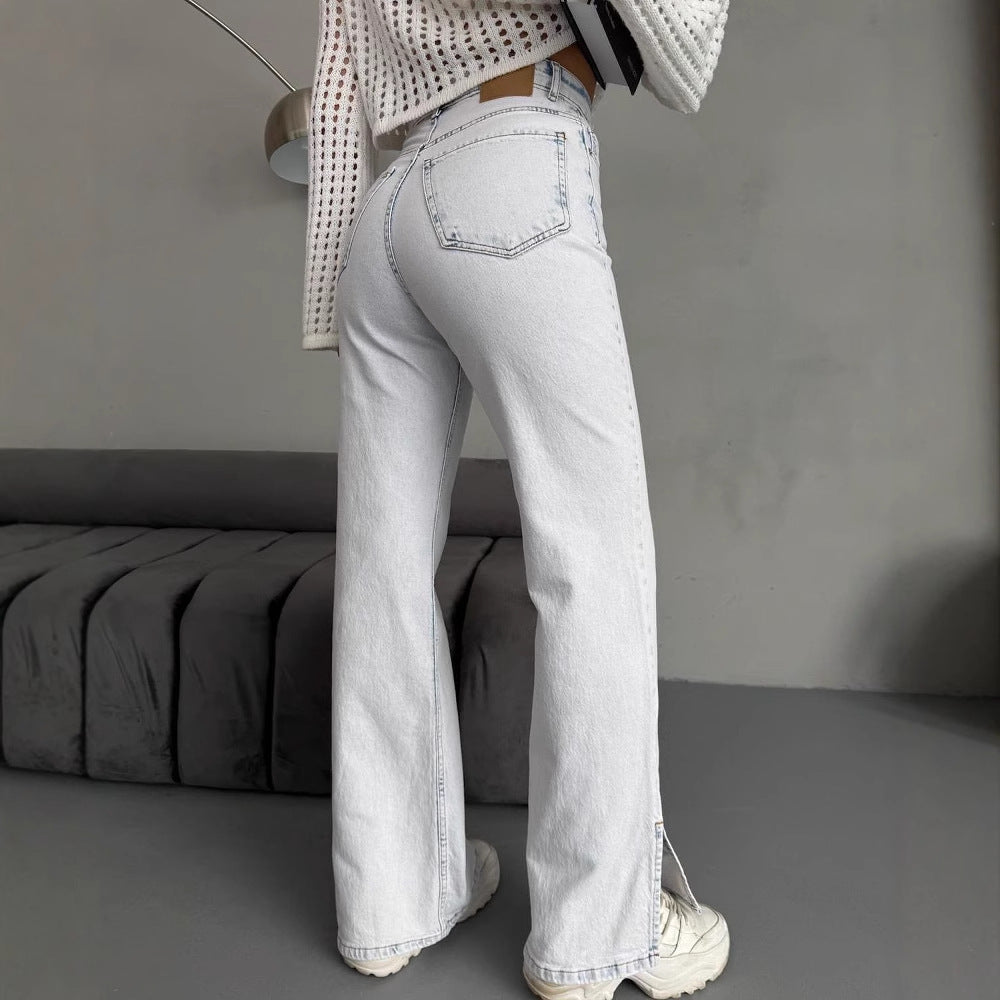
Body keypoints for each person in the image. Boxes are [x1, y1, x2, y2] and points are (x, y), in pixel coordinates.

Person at [302, 3, 732, 997]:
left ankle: (387, 906)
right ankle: (599, 937)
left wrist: (335, 297)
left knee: (379, 572)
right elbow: (684, 55)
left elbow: (332, 98)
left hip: (385, 213)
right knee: (593, 558)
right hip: (510, 159)